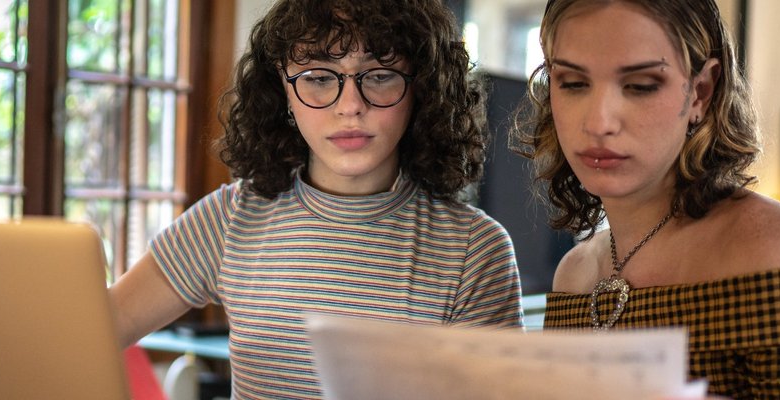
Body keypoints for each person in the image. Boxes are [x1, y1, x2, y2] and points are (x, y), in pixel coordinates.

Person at [109, 0, 524, 398]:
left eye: (379, 75)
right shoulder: (230, 217)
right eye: (319, 77)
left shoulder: (475, 250)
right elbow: (95, 331)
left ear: (422, 89)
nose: (350, 107)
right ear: (284, 91)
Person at [514, 0, 780, 398]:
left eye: (640, 85)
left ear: (700, 92)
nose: (598, 123)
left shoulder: (766, 249)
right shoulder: (573, 275)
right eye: (573, 83)